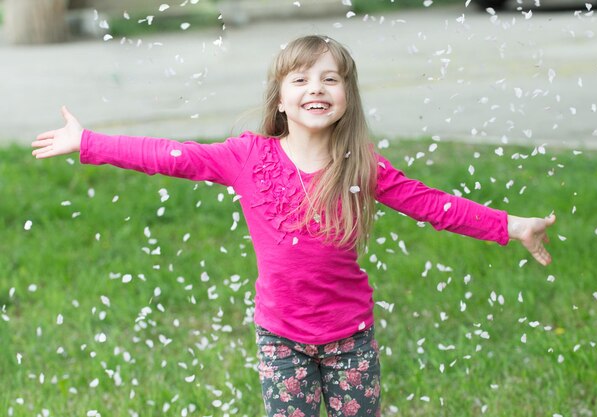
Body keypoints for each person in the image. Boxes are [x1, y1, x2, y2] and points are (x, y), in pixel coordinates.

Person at [32, 35, 556, 417]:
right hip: (280, 338)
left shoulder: (361, 164)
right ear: (280, 98)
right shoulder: (247, 156)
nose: (317, 88)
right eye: (301, 79)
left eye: (331, 79)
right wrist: (89, 143)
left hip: (349, 336)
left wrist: (513, 225)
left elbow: (432, 205)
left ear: (347, 96)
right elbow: (173, 156)